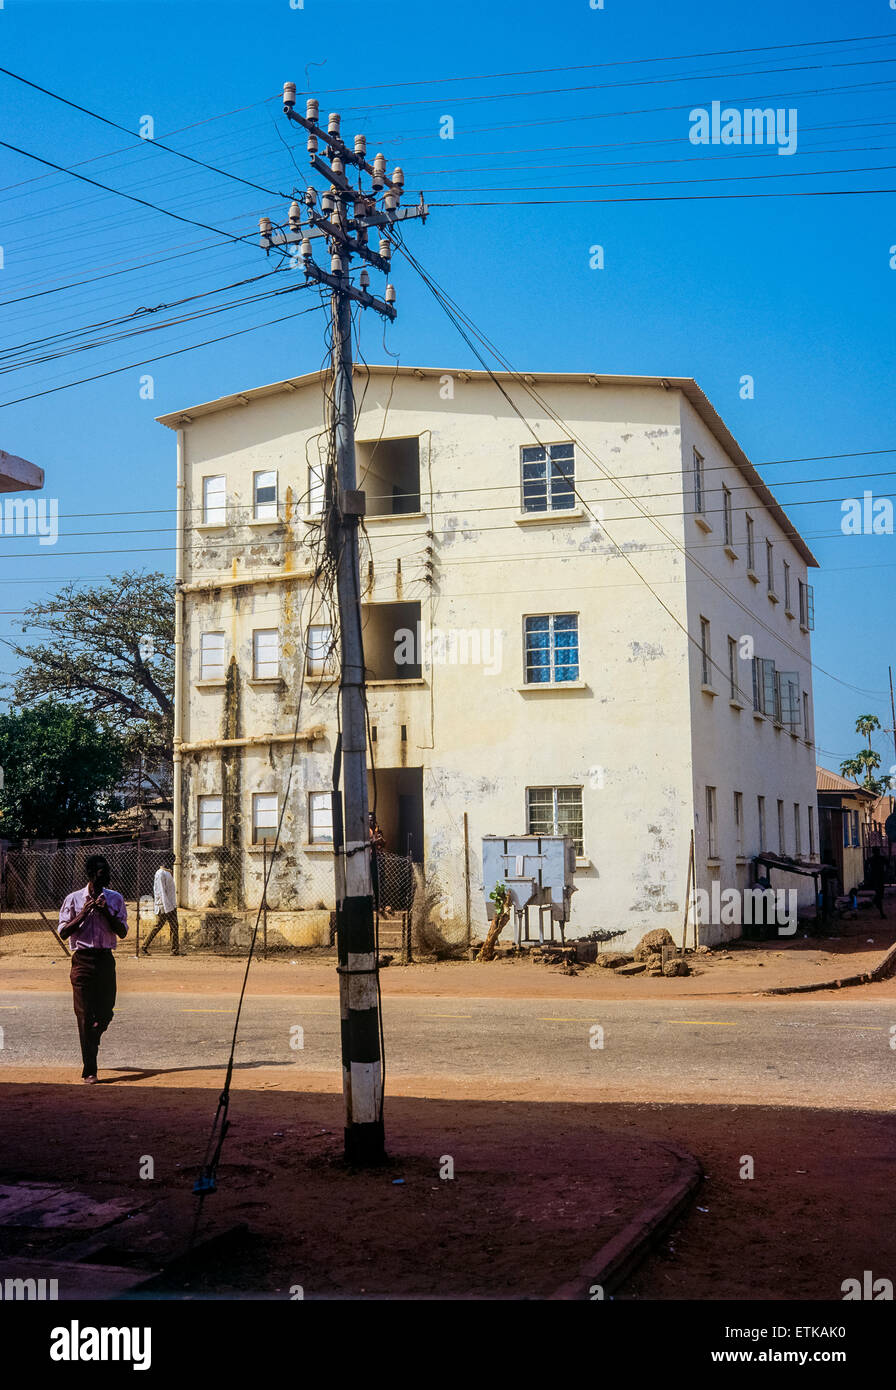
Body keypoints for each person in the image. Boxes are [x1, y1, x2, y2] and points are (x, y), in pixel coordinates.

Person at [58, 855, 128, 1084]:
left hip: (105, 960)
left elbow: (123, 932)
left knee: (106, 1011)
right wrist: (84, 912)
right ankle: (90, 1069)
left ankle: (94, 1035)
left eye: (107, 874)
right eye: (101, 875)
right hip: (82, 961)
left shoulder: (115, 899)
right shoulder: (73, 899)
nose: (105, 878)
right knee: (85, 1015)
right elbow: (64, 932)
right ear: (90, 875)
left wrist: (106, 912)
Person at [142, 863, 180, 955]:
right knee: (157, 926)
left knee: (174, 927)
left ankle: (175, 950)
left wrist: (171, 906)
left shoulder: (167, 873)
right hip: (164, 906)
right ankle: (143, 947)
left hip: (170, 905)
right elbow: (161, 891)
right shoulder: (160, 873)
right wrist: (167, 908)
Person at [867, 846, 887, 919]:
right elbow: (888, 865)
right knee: (879, 895)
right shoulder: (878, 859)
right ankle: (881, 913)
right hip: (877, 879)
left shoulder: (875, 859)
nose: (877, 852)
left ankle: (875, 902)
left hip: (878, 879)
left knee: (880, 895)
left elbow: (866, 867)